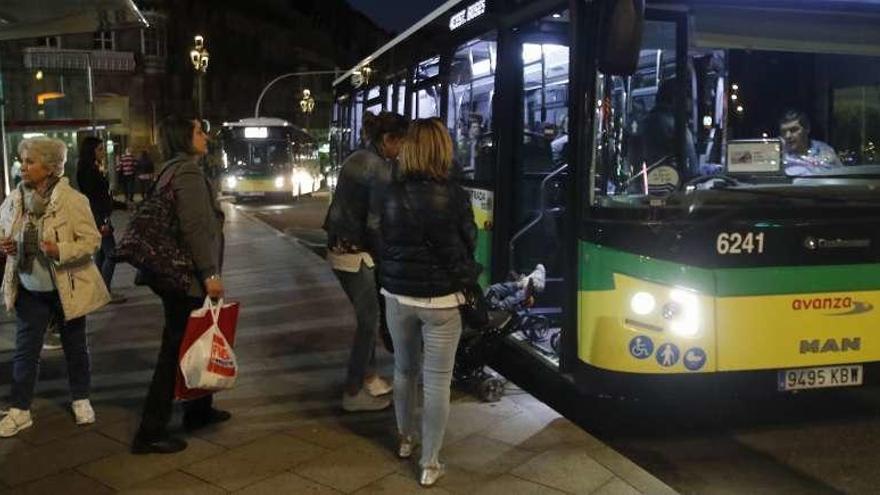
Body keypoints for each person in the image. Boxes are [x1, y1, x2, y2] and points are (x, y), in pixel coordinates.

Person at [379, 118, 480, 487]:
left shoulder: (391, 193)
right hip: (442, 302)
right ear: (443, 149)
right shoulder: (455, 196)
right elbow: (469, 243)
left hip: (398, 298)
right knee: (438, 382)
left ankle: (406, 439)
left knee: (404, 371)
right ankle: (430, 463)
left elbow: (384, 242)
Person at [0, 137, 110, 437]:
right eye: (22, 161)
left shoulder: (73, 201)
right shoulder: (13, 201)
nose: (23, 167)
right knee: (25, 351)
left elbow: (91, 241)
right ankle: (20, 410)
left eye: (30, 162)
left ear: (50, 168)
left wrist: (60, 249)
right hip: (28, 288)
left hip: (66, 289)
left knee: (76, 347)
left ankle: (81, 399)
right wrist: (5, 244)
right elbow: (2, 232)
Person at [132, 116, 228, 455]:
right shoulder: (186, 172)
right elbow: (195, 227)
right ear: (184, 138)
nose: (204, 136)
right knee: (174, 349)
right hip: (186, 276)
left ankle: (199, 411)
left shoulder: (168, 170)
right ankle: (150, 431)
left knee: (195, 338)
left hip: (173, 274)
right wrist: (210, 273)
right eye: (199, 132)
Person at [323, 111, 408, 412]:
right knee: (369, 320)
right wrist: (390, 256)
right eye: (402, 143)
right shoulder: (378, 168)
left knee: (368, 316)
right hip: (354, 252)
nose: (404, 150)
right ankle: (353, 390)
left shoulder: (357, 157)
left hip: (338, 244)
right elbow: (374, 224)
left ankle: (369, 377)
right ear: (388, 140)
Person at [76, 137, 125, 304]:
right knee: (111, 253)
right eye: (100, 149)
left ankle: (99, 291)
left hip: (97, 215)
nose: (103, 152)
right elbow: (97, 198)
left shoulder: (89, 169)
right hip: (99, 216)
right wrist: (104, 218)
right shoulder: (89, 171)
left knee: (102, 253)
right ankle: (104, 293)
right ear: (92, 151)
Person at [637, 78, 698, 178]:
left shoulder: (647, 122)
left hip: (652, 183)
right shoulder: (675, 126)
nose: (690, 104)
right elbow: (691, 167)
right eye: (688, 98)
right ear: (676, 99)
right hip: (674, 185)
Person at [779, 109, 843, 175]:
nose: (787, 136)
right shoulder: (779, 156)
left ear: (807, 129)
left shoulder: (824, 150)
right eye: (783, 132)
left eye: (793, 130)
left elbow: (839, 174)